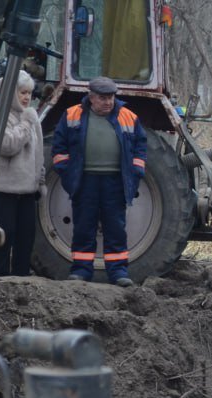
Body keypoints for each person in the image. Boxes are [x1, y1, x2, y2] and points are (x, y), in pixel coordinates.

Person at [50, 76, 146, 287]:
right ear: (91, 97)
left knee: (115, 227)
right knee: (84, 225)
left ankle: (118, 271)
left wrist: (136, 171)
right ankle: (81, 270)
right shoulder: (72, 115)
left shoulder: (128, 117)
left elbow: (140, 144)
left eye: (111, 97)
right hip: (85, 181)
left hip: (115, 181)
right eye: (103, 98)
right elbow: (59, 147)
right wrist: (67, 173)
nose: (108, 102)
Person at [0, 70, 44, 277]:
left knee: (26, 235)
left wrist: (39, 180)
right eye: (22, 92)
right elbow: (8, 145)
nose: (27, 98)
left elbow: (38, 153)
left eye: (29, 93)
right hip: (3, 187)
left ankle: (21, 276)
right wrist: (26, 123)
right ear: (10, 92)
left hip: (27, 188)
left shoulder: (30, 115)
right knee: (4, 233)